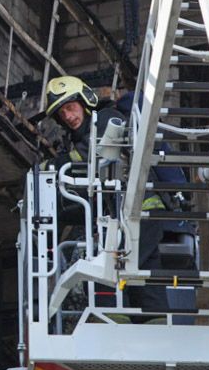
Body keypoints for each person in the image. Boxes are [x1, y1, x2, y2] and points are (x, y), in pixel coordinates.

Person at [43, 76, 170, 312]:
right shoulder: (82, 135)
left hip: (141, 211)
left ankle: (108, 320)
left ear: (85, 101)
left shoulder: (107, 119)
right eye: (62, 114)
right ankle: (153, 324)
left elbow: (90, 154)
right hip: (125, 216)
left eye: (70, 108)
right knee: (142, 280)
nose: (68, 117)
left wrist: (49, 166)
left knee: (112, 271)